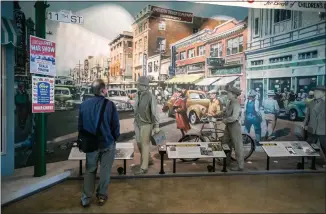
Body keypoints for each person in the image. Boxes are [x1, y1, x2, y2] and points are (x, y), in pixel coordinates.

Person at [79, 79, 120, 207]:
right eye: (106, 88)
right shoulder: (110, 105)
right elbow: (116, 126)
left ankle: (86, 198)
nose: (106, 90)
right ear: (102, 90)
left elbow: (80, 126)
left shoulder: (84, 105)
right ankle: (101, 196)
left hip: (91, 144)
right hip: (107, 143)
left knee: (90, 170)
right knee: (105, 170)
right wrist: (113, 138)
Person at [133, 76, 160, 175]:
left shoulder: (150, 96)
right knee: (139, 143)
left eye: (138, 84)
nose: (137, 86)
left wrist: (156, 125)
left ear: (144, 86)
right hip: (137, 123)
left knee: (145, 145)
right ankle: (148, 159)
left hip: (146, 123)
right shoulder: (137, 94)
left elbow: (154, 112)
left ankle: (144, 168)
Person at [218, 86, 244, 171]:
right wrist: (215, 115)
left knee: (237, 146)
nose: (227, 94)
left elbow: (235, 117)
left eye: (229, 93)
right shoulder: (230, 102)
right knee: (225, 142)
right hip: (229, 126)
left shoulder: (236, 103)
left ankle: (240, 166)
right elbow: (224, 112)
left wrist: (225, 120)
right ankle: (227, 160)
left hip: (234, 126)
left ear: (233, 94)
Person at [303, 86, 326, 166]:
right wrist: (305, 123)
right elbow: (307, 115)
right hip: (312, 127)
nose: (315, 94)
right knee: (308, 144)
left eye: (317, 92)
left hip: (323, 129)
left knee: (324, 146)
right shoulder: (311, 102)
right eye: (315, 92)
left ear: (323, 93)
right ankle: (305, 158)